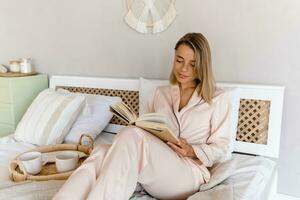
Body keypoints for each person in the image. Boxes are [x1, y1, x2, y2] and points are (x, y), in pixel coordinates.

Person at [53, 33, 231, 200]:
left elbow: (222, 149)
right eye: (179, 60)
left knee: (131, 135)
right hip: (156, 167)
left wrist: (192, 150)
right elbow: (147, 134)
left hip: (189, 173)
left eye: (192, 64)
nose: (184, 68)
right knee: (102, 152)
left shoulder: (218, 99)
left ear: (202, 65)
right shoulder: (159, 94)